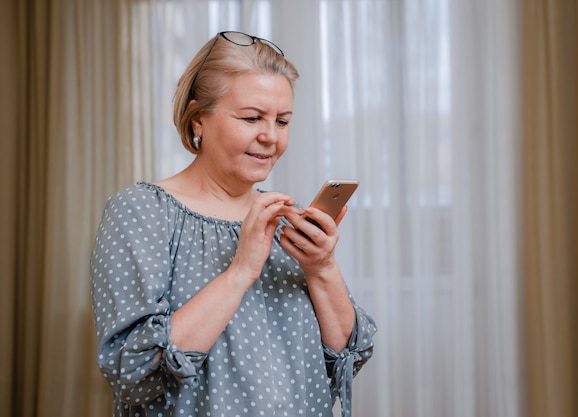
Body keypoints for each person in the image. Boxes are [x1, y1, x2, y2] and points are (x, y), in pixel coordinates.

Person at [90, 31, 376, 417]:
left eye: (282, 120)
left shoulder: (284, 220)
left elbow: (345, 360)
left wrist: (321, 269)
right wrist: (240, 271)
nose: (270, 137)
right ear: (198, 120)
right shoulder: (142, 211)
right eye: (252, 117)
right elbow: (133, 372)